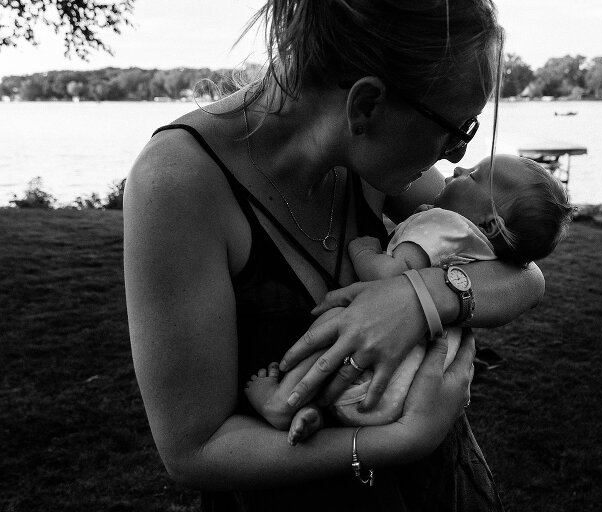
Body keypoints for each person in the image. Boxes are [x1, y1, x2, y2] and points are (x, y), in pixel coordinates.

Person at [124, 1, 546, 510]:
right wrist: (399, 440)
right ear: (366, 105)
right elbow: (195, 450)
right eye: (456, 128)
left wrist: (421, 298)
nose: (457, 155)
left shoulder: (371, 158)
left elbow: (525, 277)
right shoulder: (179, 182)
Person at [244, 154, 573, 444]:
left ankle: (282, 400)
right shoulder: (486, 249)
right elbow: (526, 274)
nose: (459, 167)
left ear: (490, 223)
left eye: (473, 175)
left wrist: (364, 251)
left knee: (335, 322)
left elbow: (389, 275)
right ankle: (316, 413)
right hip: (405, 390)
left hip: (379, 376)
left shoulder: (445, 223)